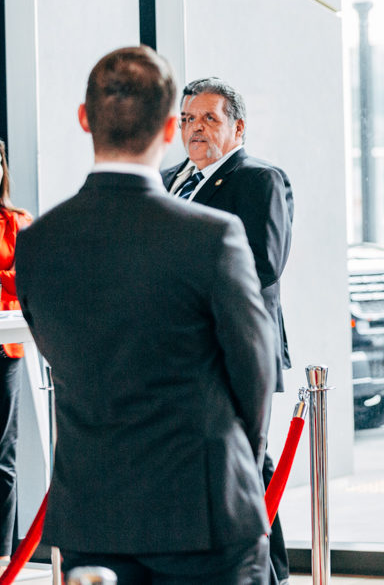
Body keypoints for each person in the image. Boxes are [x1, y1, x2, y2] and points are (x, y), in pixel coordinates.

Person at [14, 45, 274, 584]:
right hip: (203, 510)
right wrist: (234, 465)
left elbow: (55, 351)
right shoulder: (213, 236)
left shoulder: (37, 243)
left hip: (91, 512)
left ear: (85, 120)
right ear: (165, 128)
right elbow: (255, 372)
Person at [161, 77, 295, 585]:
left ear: (237, 127)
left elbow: (263, 266)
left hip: (234, 347)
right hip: (175, 352)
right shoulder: (167, 178)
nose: (197, 129)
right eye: (190, 119)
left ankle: (271, 572)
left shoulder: (260, 179)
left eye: (210, 119)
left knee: (247, 465)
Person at [0, 140, 31, 563]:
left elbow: (27, 279)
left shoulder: (17, 221)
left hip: (5, 347)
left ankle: (3, 558)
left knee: (2, 454)